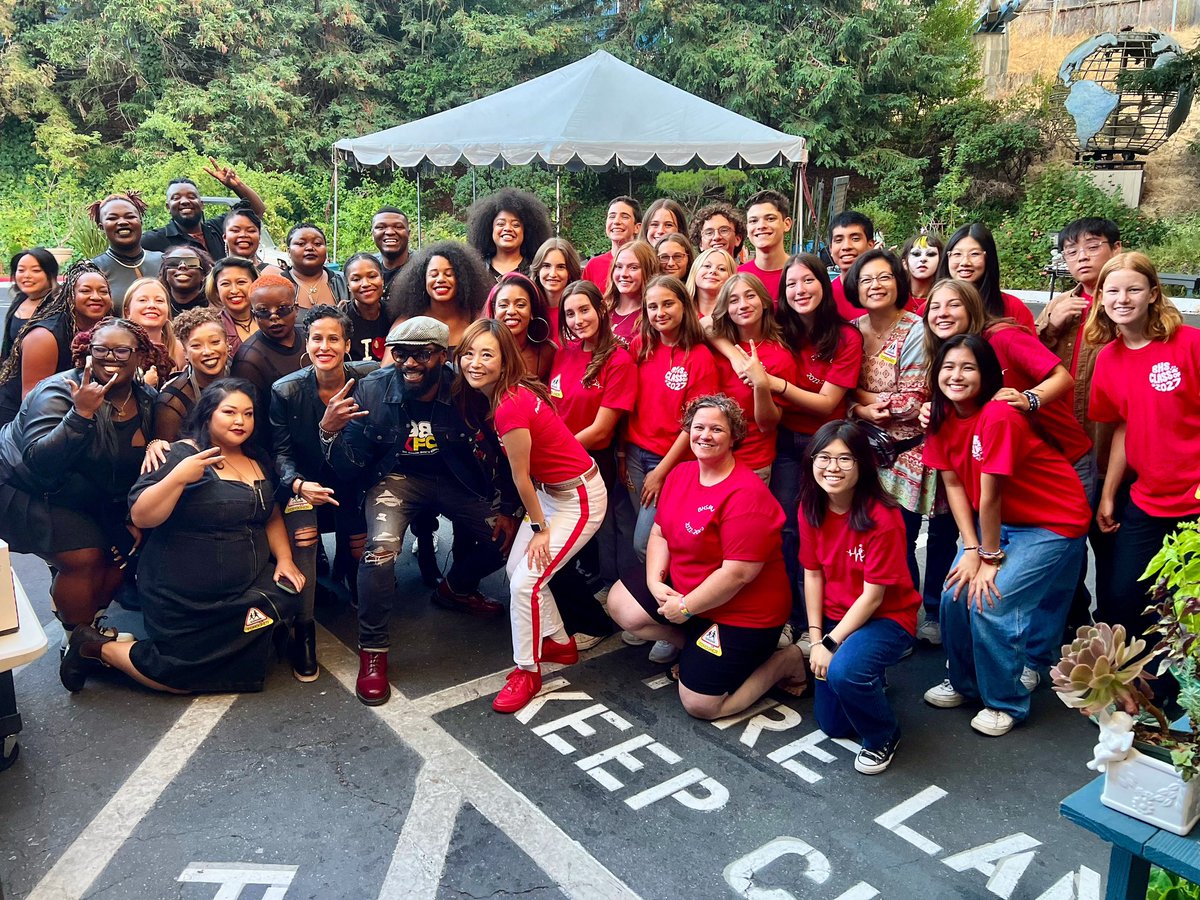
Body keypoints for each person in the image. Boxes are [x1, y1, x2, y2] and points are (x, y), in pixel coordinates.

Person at [59, 378, 304, 694]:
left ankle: (223, 656)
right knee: (178, 678)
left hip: (243, 587)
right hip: (184, 597)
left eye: (248, 413)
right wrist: (177, 478)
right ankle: (95, 648)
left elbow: (269, 515)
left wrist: (284, 559)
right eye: (229, 412)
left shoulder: (257, 459)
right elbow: (141, 516)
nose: (240, 421)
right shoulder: (179, 454)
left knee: (286, 594)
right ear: (208, 415)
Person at [323, 316, 520, 705]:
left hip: (455, 480)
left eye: (423, 354)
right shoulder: (372, 390)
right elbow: (349, 468)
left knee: (512, 540)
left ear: (443, 355)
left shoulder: (467, 388)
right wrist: (329, 430)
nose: (410, 363)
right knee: (378, 554)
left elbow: (505, 451)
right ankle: (374, 651)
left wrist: (510, 508)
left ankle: (456, 588)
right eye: (400, 354)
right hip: (396, 479)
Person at [922, 335, 1089, 736]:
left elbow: (991, 494)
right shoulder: (940, 417)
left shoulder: (998, 415)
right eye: (948, 367)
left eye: (968, 367)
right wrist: (971, 549)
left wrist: (989, 557)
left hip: (1051, 519)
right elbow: (956, 486)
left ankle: (1006, 701)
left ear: (988, 375)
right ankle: (964, 684)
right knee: (953, 593)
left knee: (991, 599)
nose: (956, 375)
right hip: (995, 521)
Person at [923, 278, 1094, 658]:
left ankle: (1036, 660)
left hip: (1058, 458)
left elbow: (1062, 377)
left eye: (953, 305)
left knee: (1050, 583)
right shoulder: (947, 362)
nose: (943, 314)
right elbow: (963, 481)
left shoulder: (1001, 339)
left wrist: (1028, 399)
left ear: (972, 309)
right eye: (935, 307)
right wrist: (977, 549)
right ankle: (991, 667)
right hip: (1005, 475)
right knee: (991, 587)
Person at [607, 395, 805, 719]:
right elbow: (659, 533)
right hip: (692, 596)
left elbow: (737, 575)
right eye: (698, 427)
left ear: (733, 438)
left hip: (742, 612)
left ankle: (785, 662)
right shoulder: (681, 474)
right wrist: (656, 585)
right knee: (621, 604)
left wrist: (685, 607)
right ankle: (693, 645)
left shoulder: (746, 494)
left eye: (717, 429)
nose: (705, 435)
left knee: (701, 705)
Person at [457, 319, 607, 714]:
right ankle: (558, 642)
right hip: (551, 493)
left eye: (486, 354)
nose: (474, 362)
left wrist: (540, 529)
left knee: (526, 582)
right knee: (515, 573)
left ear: (504, 358)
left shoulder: (509, 405)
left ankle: (528, 670)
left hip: (578, 498)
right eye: (469, 353)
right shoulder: (505, 395)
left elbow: (520, 478)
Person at [0, 317, 161, 666]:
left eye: (122, 350)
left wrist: (130, 517)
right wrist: (81, 413)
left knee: (120, 554)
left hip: (89, 495)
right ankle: (77, 638)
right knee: (84, 558)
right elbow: (40, 463)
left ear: (140, 356)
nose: (110, 358)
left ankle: (85, 628)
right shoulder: (58, 391)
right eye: (101, 350)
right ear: (87, 353)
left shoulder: (147, 399)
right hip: (24, 488)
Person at [1088, 252, 1200, 647]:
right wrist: (1107, 494)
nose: (1122, 298)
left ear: (1153, 293)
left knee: (1188, 606)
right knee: (1123, 597)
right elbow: (1122, 427)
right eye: (1112, 290)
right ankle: (1147, 693)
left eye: (1133, 289)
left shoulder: (1188, 343)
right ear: (1101, 297)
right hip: (1148, 499)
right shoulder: (1108, 360)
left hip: (1195, 501)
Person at [800, 420, 920, 773]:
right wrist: (814, 636)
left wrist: (830, 644)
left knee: (843, 672)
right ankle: (868, 674)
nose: (832, 468)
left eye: (844, 459)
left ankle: (884, 735)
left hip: (887, 617)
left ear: (863, 465)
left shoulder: (883, 517)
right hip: (839, 617)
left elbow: (872, 597)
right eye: (823, 457)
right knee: (833, 726)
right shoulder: (811, 506)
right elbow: (812, 574)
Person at [760, 254, 864, 644]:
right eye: (791, 284)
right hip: (784, 442)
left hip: (827, 444)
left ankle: (818, 625)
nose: (800, 291)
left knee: (821, 532)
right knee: (786, 531)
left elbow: (826, 403)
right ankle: (790, 617)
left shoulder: (845, 337)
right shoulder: (778, 330)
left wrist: (774, 384)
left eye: (808, 281)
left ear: (825, 284)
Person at [271, 306, 378, 681]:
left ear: (347, 344)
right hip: (305, 480)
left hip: (353, 477)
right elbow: (280, 453)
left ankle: (362, 601)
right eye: (317, 338)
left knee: (362, 539)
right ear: (307, 342)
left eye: (334, 338)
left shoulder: (370, 378)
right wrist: (299, 484)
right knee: (304, 533)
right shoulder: (285, 390)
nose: (325, 346)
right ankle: (304, 630)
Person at [1036, 217, 1123, 633]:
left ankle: (1117, 635)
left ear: (1116, 248)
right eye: (1072, 251)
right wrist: (1051, 325)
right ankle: (1072, 626)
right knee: (1063, 548)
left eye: (1092, 246)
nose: (1082, 257)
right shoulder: (1059, 305)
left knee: (1112, 548)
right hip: (1061, 450)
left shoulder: (1125, 303)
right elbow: (1030, 365)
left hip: (1111, 448)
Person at [549, 280, 638, 637]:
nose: (577, 319)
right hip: (557, 464)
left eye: (584, 309)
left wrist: (552, 452)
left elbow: (602, 430)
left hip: (591, 464)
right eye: (569, 313)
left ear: (601, 309)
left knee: (599, 539)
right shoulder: (564, 352)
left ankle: (603, 617)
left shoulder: (619, 360)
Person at [844, 249, 936, 587]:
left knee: (899, 542)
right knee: (857, 542)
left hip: (902, 455)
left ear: (899, 281)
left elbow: (912, 402)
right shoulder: (851, 331)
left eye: (884, 277)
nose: (876, 285)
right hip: (859, 452)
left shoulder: (915, 331)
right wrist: (861, 408)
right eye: (866, 279)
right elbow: (838, 391)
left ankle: (904, 618)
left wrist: (858, 399)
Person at [624, 275, 719, 563]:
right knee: (640, 535)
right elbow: (627, 405)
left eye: (668, 304)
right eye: (652, 306)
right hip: (633, 454)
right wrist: (620, 454)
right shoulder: (640, 345)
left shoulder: (699, 356)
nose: (660, 312)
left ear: (684, 305)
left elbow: (695, 423)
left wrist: (661, 472)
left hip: (669, 461)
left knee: (646, 543)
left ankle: (666, 599)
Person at [706, 273, 795, 482]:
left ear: (764, 302)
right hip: (708, 456)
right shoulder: (715, 343)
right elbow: (702, 324)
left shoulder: (780, 356)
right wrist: (734, 356)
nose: (743, 305)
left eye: (750, 296)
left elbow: (767, 425)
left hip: (752, 462)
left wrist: (761, 384)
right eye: (733, 300)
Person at [0, 262, 113, 426]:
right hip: (23, 419)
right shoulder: (44, 337)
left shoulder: (110, 328)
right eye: (85, 291)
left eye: (103, 291)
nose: (96, 296)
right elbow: (32, 401)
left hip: (75, 411)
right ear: (70, 296)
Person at [230, 275, 306, 448]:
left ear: (296, 309)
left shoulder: (309, 337)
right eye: (264, 311)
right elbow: (253, 419)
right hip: (280, 446)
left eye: (282, 309)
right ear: (254, 315)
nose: (274, 317)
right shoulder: (249, 359)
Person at [141, 163, 266, 257]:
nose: (184, 201)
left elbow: (257, 211)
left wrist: (237, 186)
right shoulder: (155, 240)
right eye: (176, 198)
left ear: (202, 204)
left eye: (191, 196)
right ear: (168, 207)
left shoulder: (218, 228)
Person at [386, 241, 492, 349]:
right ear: (422, 280)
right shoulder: (407, 324)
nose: (441, 279)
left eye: (449, 274)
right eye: (433, 275)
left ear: (463, 279)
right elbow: (387, 365)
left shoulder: (478, 320)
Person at [936, 223, 1035, 331]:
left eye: (974, 254)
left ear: (989, 258)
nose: (965, 262)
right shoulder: (932, 310)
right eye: (957, 254)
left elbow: (1031, 347)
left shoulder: (1013, 308)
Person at [153, 307, 230, 441]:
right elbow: (168, 455)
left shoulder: (243, 372)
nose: (207, 351)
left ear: (227, 344)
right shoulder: (172, 401)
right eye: (196, 346)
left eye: (215, 342)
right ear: (185, 353)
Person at [88, 192, 164, 303]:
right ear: (101, 227)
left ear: (140, 222)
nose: (123, 222)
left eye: (130, 217)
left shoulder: (164, 262)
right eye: (112, 218)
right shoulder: (93, 269)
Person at [466, 187, 553, 281]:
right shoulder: (477, 269)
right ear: (490, 229)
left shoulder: (536, 271)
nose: (508, 228)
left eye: (516, 225)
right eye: (500, 224)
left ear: (526, 231)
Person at [484, 272, 556, 382]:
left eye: (520, 305)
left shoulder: (547, 351)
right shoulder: (480, 348)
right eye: (503, 305)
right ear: (494, 311)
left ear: (532, 310)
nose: (511, 311)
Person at [3, 248, 59, 368]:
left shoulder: (59, 306)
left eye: (36, 270)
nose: (27, 276)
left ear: (50, 274)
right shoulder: (19, 300)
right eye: (21, 270)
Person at [739, 190, 794, 300]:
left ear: (787, 224)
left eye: (770, 219)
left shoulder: (802, 274)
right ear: (747, 228)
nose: (761, 226)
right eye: (753, 221)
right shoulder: (738, 277)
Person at [121, 278, 181, 379]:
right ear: (127, 312)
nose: (152, 305)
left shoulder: (180, 349)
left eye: (159, 300)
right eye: (143, 300)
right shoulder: (117, 348)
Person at [277, 223, 346, 309]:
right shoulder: (274, 286)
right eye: (301, 243)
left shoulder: (345, 282)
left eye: (317, 243)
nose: (310, 248)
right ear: (288, 251)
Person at [602, 240, 659, 344]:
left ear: (648, 270)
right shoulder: (602, 310)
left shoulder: (652, 317)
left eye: (633, 267)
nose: (624, 274)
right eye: (619, 266)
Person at [582, 196, 642, 293]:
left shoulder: (645, 263)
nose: (616, 221)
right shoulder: (593, 266)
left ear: (637, 227)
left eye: (625, 217)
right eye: (612, 216)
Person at [339, 252, 391, 362]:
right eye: (356, 279)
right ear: (348, 286)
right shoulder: (340, 319)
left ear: (382, 279)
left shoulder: (395, 314)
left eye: (372, 276)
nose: (366, 284)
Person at [828, 210, 876, 320]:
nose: (846, 246)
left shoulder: (887, 292)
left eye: (855, 239)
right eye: (839, 240)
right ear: (831, 248)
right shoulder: (825, 296)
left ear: (870, 245)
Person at [206, 256, 260, 354]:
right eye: (225, 284)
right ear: (216, 290)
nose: (234, 290)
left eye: (241, 282)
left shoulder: (269, 319)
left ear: (255, 285)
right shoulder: (210, 328)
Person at [531, 237, 582, 334]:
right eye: (546, 266)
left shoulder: (581, 312)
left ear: (570, 272)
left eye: (561, 267)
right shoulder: (528, 310)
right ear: (537, 270)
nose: (553, 274)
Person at [159, 245, 213, 315]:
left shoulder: (216, 308)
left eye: (192, 262)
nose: (182, 266)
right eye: (173, 262)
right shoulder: (158, 308)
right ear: (165, 274)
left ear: (203, 275)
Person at [685, 247, 736, 320]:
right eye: (707, 266)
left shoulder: (736, 314)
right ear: (695, 270)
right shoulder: (680, 311)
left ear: (731, 277)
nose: (713, 271)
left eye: (721, 269)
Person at [899, 232, 943, 314]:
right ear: (904, 263)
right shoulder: (894, 298)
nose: (923, 259)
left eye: (930, 254)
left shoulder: (946, 298)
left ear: (940, 261)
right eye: (916, 254)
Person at [372, 207, 412, 293]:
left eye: (398, 227)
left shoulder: (424, 267)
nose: (390, 232)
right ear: (373, 235)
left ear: (408, 234)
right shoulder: (367, 267)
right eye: (381, 227)